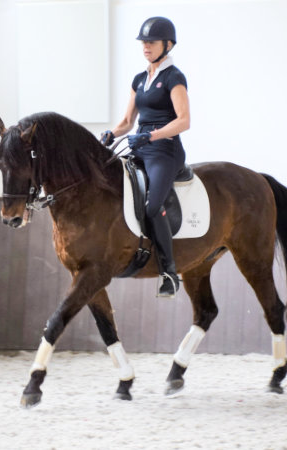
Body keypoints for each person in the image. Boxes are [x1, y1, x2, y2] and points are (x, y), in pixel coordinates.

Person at [100, 16, 189, 298]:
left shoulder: (174, 78)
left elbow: (184, 121)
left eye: (151, 42)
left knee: (152, 206)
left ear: (168, 44)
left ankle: (169, 273)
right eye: (143, 42)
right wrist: (111, 134)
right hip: (138, 146)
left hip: (164, 150)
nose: (146, 47)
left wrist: (150, 136)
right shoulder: (139, 79)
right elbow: (128, 120)